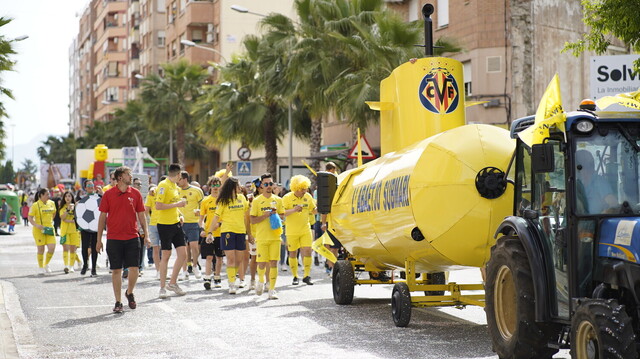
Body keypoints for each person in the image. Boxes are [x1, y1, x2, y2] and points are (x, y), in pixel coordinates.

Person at [96, 166, 149, 313]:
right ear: (120, 177)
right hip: (114, 238)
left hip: (132, 236)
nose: (131, 177)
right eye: (128, 174)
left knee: (135, 269)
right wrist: (98, 239)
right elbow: (102, 218)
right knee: (116, 270)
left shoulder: (136, 194)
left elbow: (142, 215)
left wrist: (147, 235)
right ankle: (118, 301)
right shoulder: (108, 194)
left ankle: (129, 292)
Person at [207, 176, 252, 294]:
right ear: (232, 187)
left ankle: (232, 276)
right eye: (238, 185)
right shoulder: (223, 201)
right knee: (231, 259)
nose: (240, 187)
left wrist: (250, 234)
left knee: (239, 260)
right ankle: (232, 283)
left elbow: (247, 217)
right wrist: (210, 232)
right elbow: (216, 217)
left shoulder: (242, 198)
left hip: (241, 232)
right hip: (227, 232)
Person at [155, 164, 188, 298]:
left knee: (183, 254)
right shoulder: (163, 185)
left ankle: (172, 282)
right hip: (164, 225)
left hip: (176, 224)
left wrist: (180, 213)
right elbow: (158, 206)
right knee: (166, 256)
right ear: (178, 174)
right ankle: (162, 287)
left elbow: (174, 206)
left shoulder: (175, 186)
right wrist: (177, 205)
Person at [250, 173, 285, 299]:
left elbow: (283, 217)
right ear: (261, 186)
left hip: (275, 237)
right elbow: (252, 220)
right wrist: (266, 215)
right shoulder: (257, 201)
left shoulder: (278, 200)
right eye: (266, 184)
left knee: (274, 262)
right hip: (262, 237)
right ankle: (260, 281)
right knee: (262, 263)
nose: (269, 186)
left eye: (271, 184)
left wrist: (276, 215)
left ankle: (272, 289)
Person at [283, 175, 317, 285]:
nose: (305, 191)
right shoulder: (287, 197)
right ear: (296, 188)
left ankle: (306, 275)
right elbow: (281, 213)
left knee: (308, 251)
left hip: (305, 229)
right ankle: (295, 276)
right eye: (303, 189)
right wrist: (293, 210)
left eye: (306, 188)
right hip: (291, 231)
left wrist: (320, 207)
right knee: (292, 253)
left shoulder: (308, 196)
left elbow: (313, 210)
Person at [178, 170, 204, 280]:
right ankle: (184, 271)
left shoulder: (197, 191)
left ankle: (194, 266)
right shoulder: (175, 191)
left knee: (194, 246)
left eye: (179, 179)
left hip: (194, 222)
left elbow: (203, 205)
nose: (177, 181)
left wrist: (200, 212)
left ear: (185, 179)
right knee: (183, 248)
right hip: (180, 223)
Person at [199, 176, 224, 289]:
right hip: (209, 234)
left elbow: (226, 216)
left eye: (217, 185)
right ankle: (207, 278)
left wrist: (220, 224)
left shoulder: (223, 200)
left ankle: (217, 277)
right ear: (209, 187)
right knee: (209, 257)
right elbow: (201, 219)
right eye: (213, 185)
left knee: (219, 257)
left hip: (220, 233)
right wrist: (203, 229)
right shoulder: (205, 200)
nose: (215, 187)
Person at [575, 149, 618, 214]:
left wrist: (601, 217)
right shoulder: (580, 184)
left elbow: (613, 204)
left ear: (581, 167)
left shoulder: (599, 182)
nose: (576, 172)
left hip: (596, 221)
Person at [28, 189, 57, 274]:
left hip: (50, 229)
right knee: (41, 249)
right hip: (39, 230)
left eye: (49, 194)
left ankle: (46, 264)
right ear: (41, 195)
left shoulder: (52, 203)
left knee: (52, 248)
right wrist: (37, 225)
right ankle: (41, 267)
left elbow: (54, 212)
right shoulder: (35, 205)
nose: (49, 196)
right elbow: (30, 217)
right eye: (47, 194)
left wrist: (51, 220)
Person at [79, 180, 100, 276]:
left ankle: (94, 268)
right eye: (89, 185)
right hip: (85, 227)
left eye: (92, 185)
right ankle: (85, 264)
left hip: (95, 227)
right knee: (84, 247)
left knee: (95, 247)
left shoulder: (98, 198)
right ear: (85, 188)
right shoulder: (81, 200)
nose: (91, 186)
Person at [60, 191, 81, 274]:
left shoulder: (76, 206)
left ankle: (71, 266)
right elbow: (62, 217)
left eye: (69, 196)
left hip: (74, 231)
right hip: (65, 231)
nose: (67, 198)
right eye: (66, 196)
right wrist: (68, 210)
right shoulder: (62, 207)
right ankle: (66, 266)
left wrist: (76, 207)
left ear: (72, 198)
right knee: (65, 248)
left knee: (73, 249)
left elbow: (78, 218)